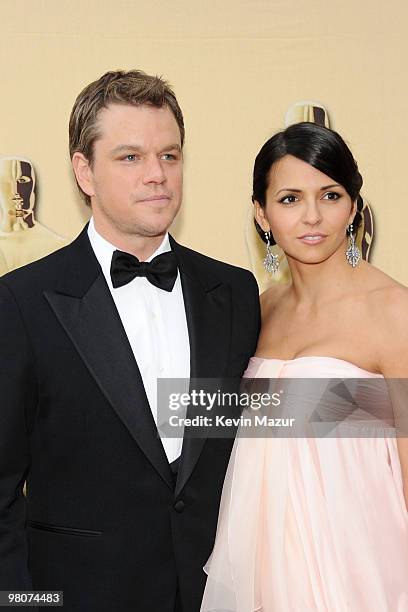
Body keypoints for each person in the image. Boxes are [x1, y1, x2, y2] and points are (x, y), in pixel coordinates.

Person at [0, 70, 260, 612]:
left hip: (214, 596)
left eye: (170, 155)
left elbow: (261, 429)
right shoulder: (22, 301)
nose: (157, 176)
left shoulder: (234, 291)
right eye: (130, 157)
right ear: (83, 171)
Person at [201, 122, 408, 611]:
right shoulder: (260, 311)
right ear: (262, 213)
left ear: (354, 206)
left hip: (361, 569)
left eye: (330, 195)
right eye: (290, 199)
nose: (312, 216)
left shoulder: (393, 312)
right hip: (263, 567)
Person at [0, 156, 68, 275]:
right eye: (5, 182)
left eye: (22, 181)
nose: (15, 192)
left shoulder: (57, 246)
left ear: (33, 186)